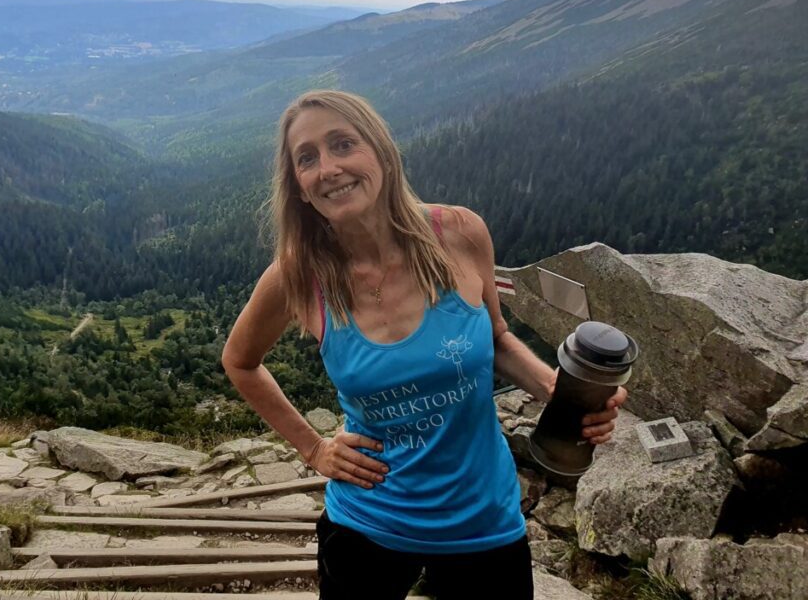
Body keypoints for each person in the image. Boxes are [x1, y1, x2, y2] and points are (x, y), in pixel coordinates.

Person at [222, 90, 626, 600]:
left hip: (482, 518)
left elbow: (495, 337)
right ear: (298, 188)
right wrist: (313, 448)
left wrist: (556, 389)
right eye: (307, 158)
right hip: (367, 519)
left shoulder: (460, 234)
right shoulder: (298, 275)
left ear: (382, 152)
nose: (328, 168)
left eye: (343, 144)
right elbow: (240, 361)